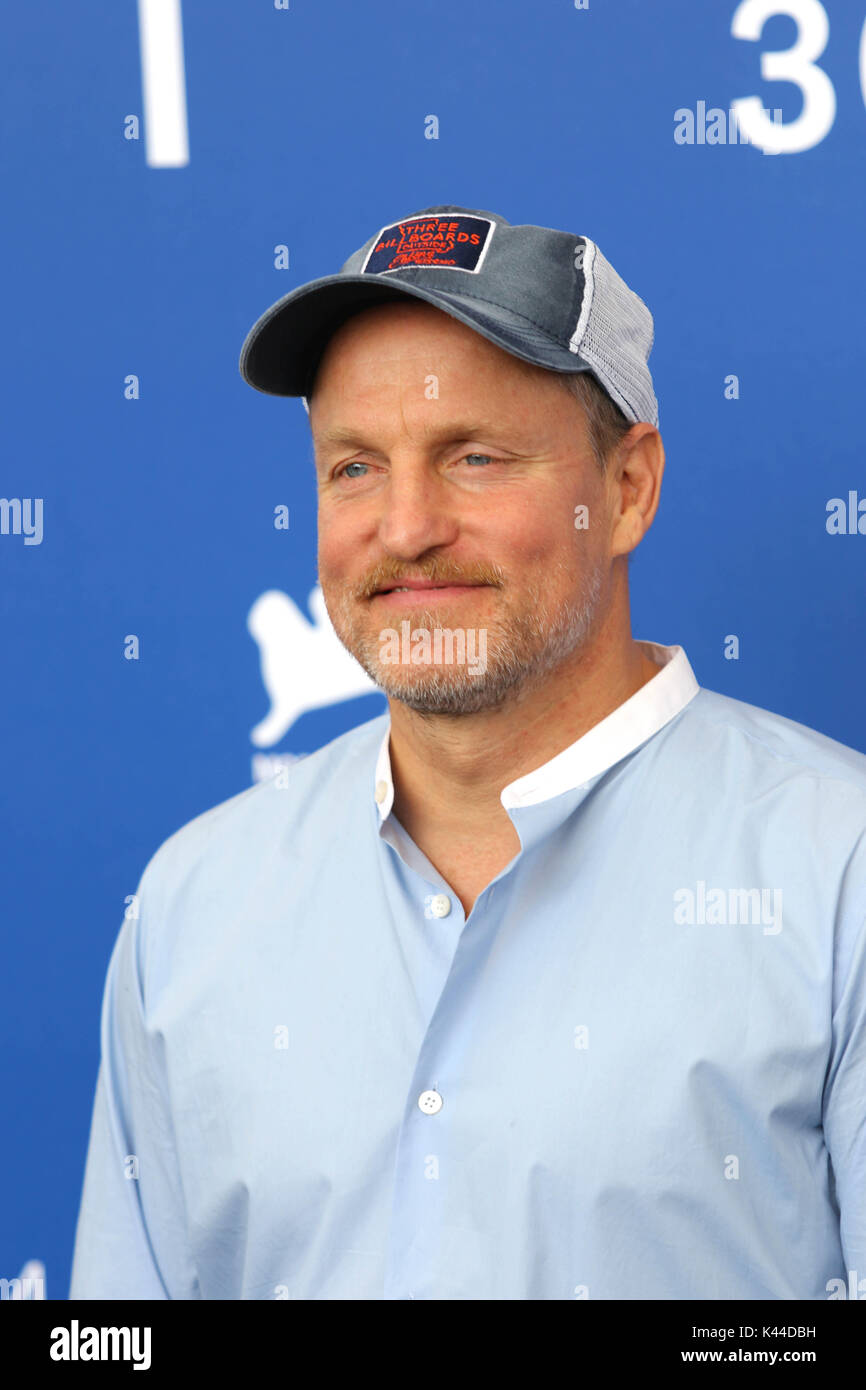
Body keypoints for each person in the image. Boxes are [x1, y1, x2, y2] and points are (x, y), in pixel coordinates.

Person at [69, 204, 866, 1300]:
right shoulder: (193, 903)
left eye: (475, 457)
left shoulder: (837, 869)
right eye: (353, 468)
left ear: (625, 489)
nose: (402, 528)